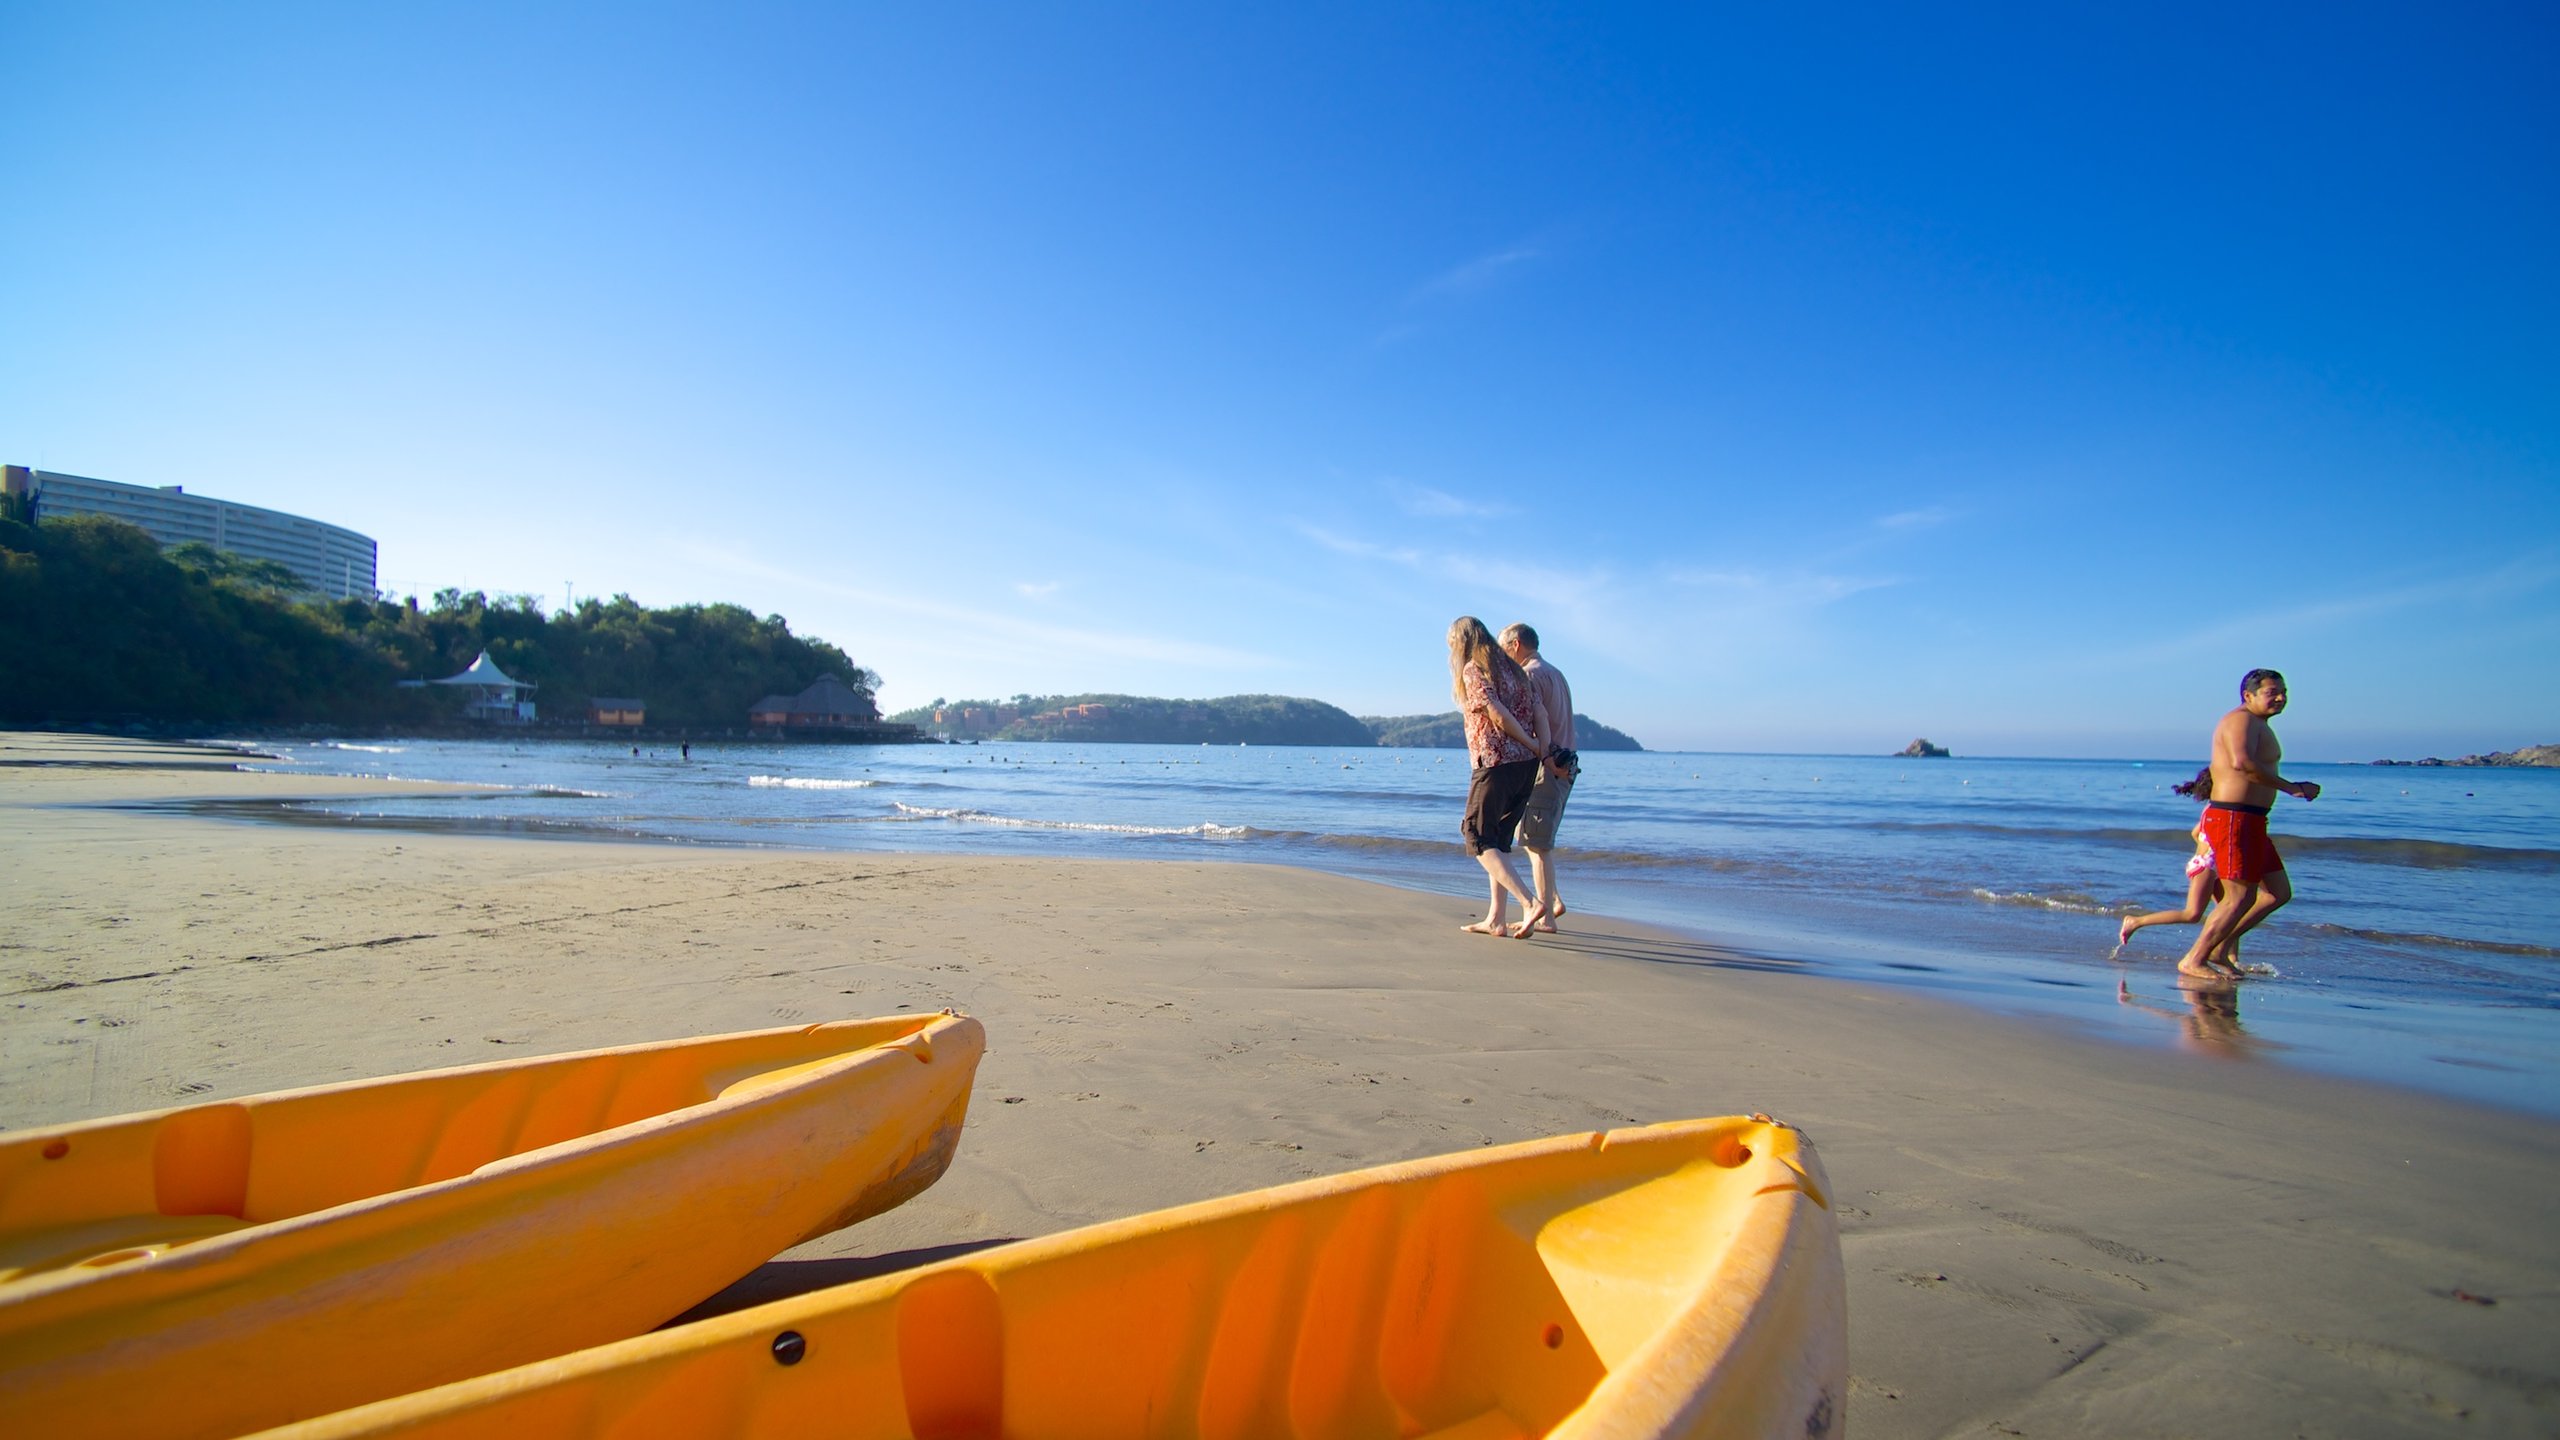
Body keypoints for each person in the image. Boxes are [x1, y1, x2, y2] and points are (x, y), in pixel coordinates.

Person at [2175, 669, 2320, 980]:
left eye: (2284, 692)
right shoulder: (2239, 720)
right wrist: (2291, 787)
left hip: (2254, 820)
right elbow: (2243, 764)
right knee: (2240, 897)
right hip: (2232, 817)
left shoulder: (2258, 723)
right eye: (2272, 692)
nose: (2281, 698)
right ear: (2248, 695)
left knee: (2277, 893)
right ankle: (2194, 959)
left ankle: (2220, 947)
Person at [1447, 616, 1544, 938]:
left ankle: (1529, 902)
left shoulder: (1475, 669)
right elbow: (1539, 712)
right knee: (1499, 841)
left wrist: (1528, 742)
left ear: (1461, 643)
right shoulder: (1516, 670)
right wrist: (1539, 749)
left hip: (1495, 762)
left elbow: (1496, 713)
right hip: (1526, 766)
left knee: (1476, 835)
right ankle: (1496, 919)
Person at [2113, 767, 2242, 974]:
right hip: (2206, 865)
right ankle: (2136, 921)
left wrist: (2204, 846)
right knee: (2192, 914)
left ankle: (2231, 958)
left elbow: (2195, 832)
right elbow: (2199, 833)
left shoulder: (2213, 809)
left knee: (2228, 911)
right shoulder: (2216, 809)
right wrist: (2207, 852)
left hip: (2209, 863)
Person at [1500, 622, 1577, 933]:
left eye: (1504, 649)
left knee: (1537, 843)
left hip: (1548, 765)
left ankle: (1544, 916)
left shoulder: (1529, 675)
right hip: (1565, 763)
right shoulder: (1556, 673)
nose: (1503, 656)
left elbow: (1532, 723)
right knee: (1537, 841)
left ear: (1516, 644)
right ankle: (1553, 901)